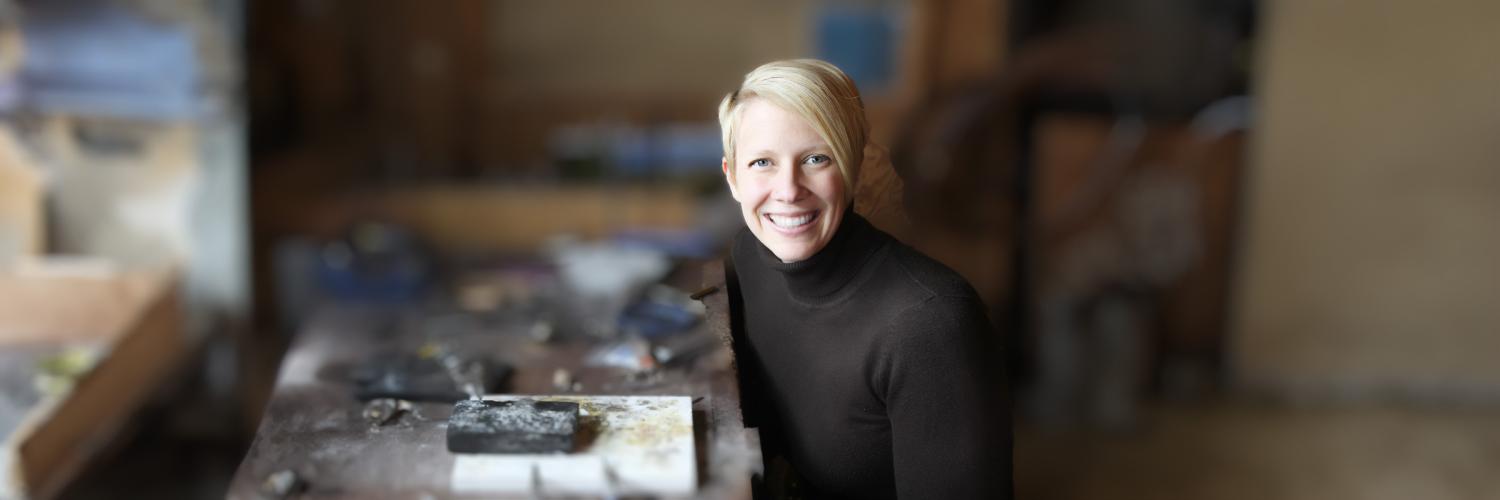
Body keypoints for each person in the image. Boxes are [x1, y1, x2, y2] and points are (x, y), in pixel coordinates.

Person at [719, 59, 1013, 499]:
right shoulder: (750, 259)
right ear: (733, 177)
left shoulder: (930, 324)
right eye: (763, 162)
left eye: (816, 159)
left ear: (854, 168)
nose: (788, 189)